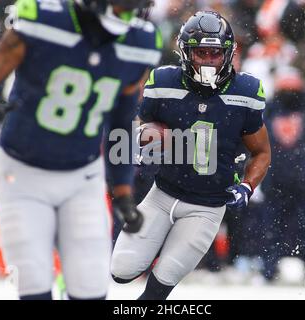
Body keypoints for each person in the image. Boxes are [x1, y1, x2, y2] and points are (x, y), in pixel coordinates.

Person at [0, 0, 162, 300]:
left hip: (83, 176)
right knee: (34, 288)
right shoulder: (45, 22)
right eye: (121, 6)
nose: (127, 13)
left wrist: (123, 193)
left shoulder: (140, 41)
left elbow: (121, 122)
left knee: (91, 290)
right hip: (22, 174)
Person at [111, 11, 271, 300]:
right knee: (121, 271)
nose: (209, 60)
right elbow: (135, 125)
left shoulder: (245, 91)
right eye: (201, 53)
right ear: (185, 53)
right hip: (162, 195)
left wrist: (247, 186)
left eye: (215, 53)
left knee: (160, 286)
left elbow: (261, 152)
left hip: (207, 206)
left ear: (229, 53)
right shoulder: (163, 82)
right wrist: (145, 139)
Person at [260, 67, 305, 281]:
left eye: (293, 87)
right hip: (275, 183)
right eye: (286, 87)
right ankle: (268, 272)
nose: (289, 92)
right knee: (271, 230)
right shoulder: (267, 113)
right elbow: (253, 143)